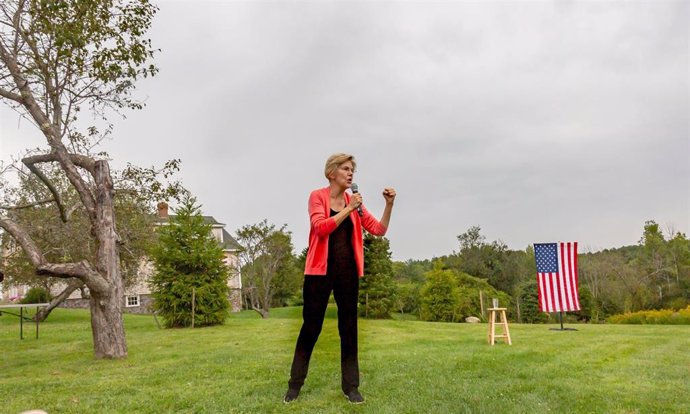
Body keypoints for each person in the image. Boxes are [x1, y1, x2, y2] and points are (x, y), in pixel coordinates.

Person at [284, 153, 396, 404]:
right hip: (318, 273)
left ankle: (351, 387)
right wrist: (349, 209)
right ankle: (294, 385)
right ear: (332, 172)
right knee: (310, 329)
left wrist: (389, 205)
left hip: (347, 275)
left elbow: (379, 230)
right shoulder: (318, 197)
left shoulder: (353, 203)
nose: (350, 173)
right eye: (345, 169)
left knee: (349, 330)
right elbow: (320, 227)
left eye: (352, 170)